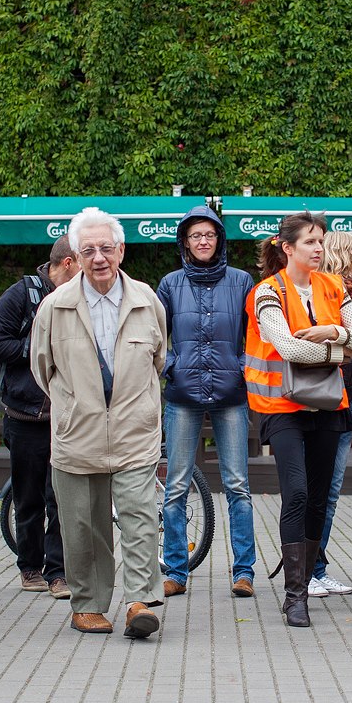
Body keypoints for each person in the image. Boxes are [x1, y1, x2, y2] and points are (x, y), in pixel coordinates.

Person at [31, 207, 168, 639]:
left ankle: (140, 602)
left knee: (140, 517)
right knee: (82, 524)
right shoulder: (55, 307)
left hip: (133, 429)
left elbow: (158, 359)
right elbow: (42, 367)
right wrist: (74, 403)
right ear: (75, 254)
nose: (98, 257)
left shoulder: (148, 301)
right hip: (79, 432)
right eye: (87, 249)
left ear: (121, 250)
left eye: (106, 248)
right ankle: (88, 604)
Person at [245, 212, 352, 627]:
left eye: (321, 241)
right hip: (281, 407)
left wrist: (330, 334)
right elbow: (288, 348)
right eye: (310, 242)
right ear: (287, 248)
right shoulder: (267, 292)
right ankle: (294, 596)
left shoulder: (333, 286)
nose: (319, 249)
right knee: (297, 493)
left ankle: (303, 582)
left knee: (319, 499)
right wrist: (342, 349)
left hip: (328, 405)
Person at [156, 205, 259, 600]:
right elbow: (153, 333)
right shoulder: (169, 284)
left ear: (220, 240)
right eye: (196, 236)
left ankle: (244, 571)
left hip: (231, 393)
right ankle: (176, 571)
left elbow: (256, 335)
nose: (203, 241)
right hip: (183, 393)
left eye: (210, 235)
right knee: (176, 486)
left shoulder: (241, 280)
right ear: (185, 241)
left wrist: (242, 367)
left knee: (238, 486)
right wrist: (171, 365)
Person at [0, 237, 77, 599]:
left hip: (65, 418)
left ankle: (58, 573)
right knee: (28, 498)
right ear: (68, 263)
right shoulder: (19, 296)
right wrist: (40, 347)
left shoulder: (79, 299)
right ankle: (29, 567)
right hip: (24, 415)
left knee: (60, 498)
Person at [310, 230, 352, 597]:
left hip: (342, 399)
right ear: (345, 258)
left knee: (326, 492)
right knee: (320, 491)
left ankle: (316, 566)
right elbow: (348, 349)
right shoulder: (331, 295)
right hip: (324, 399)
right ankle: (310, 568)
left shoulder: (351, 296)